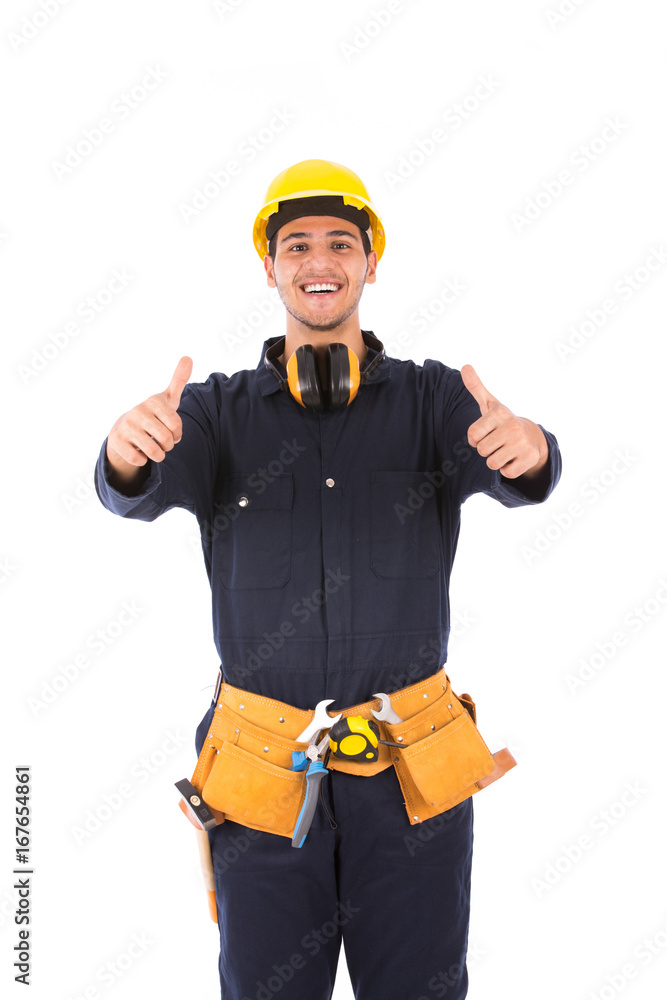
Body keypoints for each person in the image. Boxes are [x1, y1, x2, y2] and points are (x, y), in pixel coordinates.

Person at [94, 158, 562, 1000]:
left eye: (341, 243)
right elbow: (134, 488)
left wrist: (530, 451)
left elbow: (517, 467)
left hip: (413, 774)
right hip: (258, 776)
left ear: (370, 263)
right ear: (269, 267)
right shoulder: (213, 413)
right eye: (297, 244)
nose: (320, 260)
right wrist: (125, 455)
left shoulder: (434, 401)